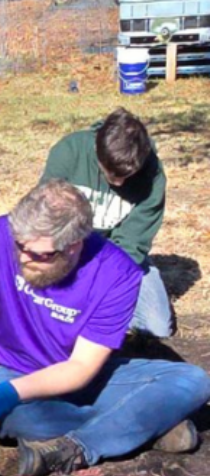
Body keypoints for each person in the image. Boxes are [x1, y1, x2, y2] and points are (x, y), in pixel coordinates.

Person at [0, 180, 210, 476]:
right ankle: (141, 424)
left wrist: (13, 393)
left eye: (40, 254)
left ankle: (78, 447)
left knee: (192, 381)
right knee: (20, 416)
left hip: (76, 377)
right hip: (5, 373)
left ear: (74, 246)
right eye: (20, 246)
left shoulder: (117, 273)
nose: (23, 259)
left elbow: (81, 367)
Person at [41, 108, 171, 337]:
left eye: (127, 176)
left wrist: (100, 286)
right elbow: (45, 217)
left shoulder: (153, 175)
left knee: (157, 327)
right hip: (67, 248)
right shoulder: (70, 152)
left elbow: (131, 244)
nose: (120, 183)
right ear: (96, 150)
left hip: (115, 255)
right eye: (111, 174)